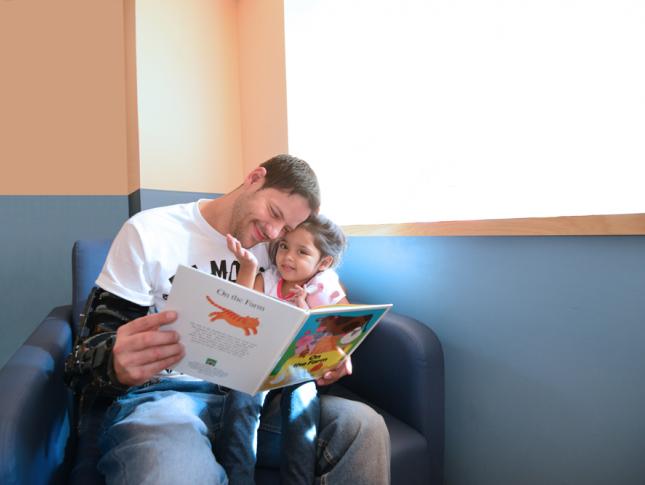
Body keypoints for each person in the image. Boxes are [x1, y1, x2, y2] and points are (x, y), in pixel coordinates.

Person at [63, 154, 390, 485]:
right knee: (175, 473)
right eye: (274, 213)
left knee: (362, 426)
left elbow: (321, 300)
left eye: (287, 229)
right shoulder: (150, 232)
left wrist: (329, 355)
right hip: (164, 398)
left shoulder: (281, 253)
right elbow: (90, 351)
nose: (273, 233)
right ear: (254, 178)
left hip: (256, 402)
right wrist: (114, 361)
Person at [222, 214, 348, 485]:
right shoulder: (267, 279)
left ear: (323, 262)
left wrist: (340, 350)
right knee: (242, 398)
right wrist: (248, 267)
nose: (287, 257)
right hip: (257, 365)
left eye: (302, 252)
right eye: (284, 246)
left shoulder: (322, 285)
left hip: (298, 370)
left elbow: (343, 325)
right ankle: (238, 477)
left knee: (303, 402)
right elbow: (241, 307)